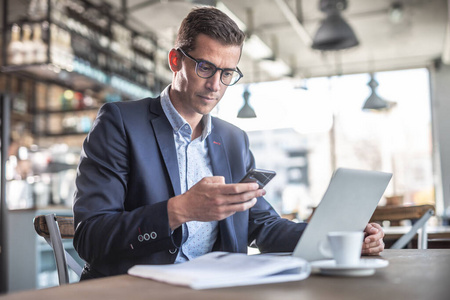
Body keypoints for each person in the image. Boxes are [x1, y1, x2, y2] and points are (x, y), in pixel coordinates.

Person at [73, 6, 385, 280]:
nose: (215, 85)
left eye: (227, 73)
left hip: (218, 287)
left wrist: (342, 237)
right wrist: (178, 210)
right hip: (140, 288)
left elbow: (264, 227)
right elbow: (90, 237)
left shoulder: (233, 140)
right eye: (205, 67)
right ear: (174, 60)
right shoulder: (120, 123)